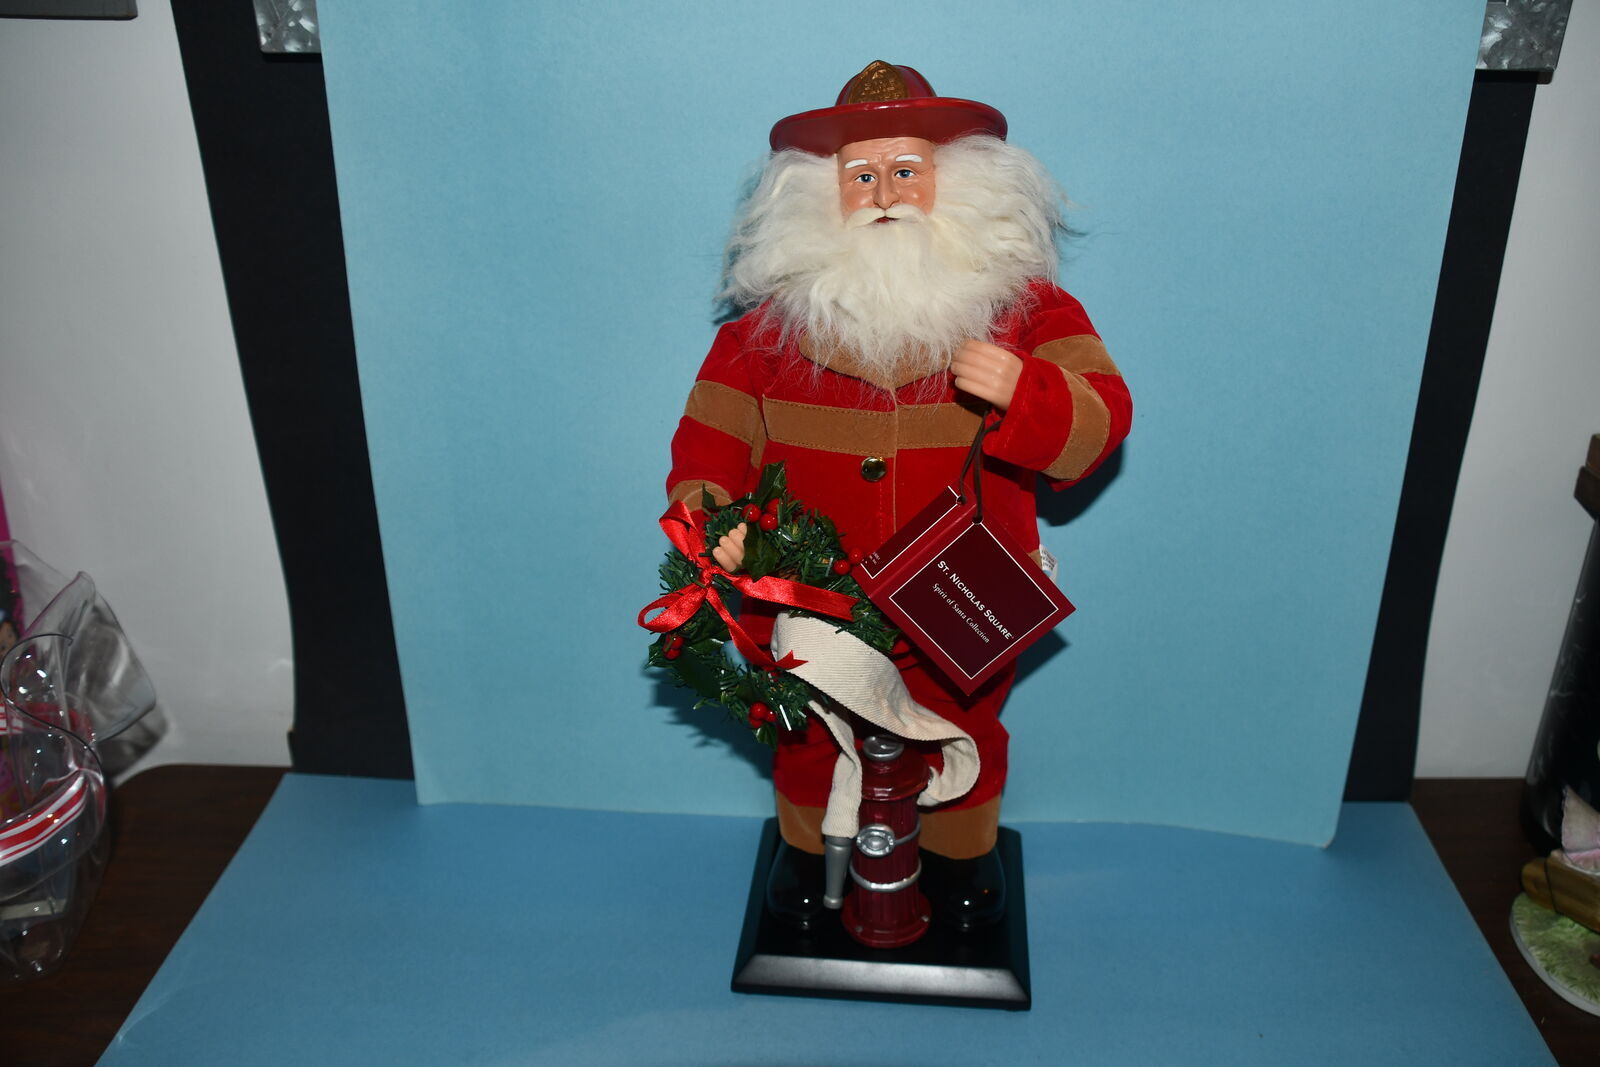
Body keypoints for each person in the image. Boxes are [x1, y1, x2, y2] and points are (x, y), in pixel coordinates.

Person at [667, 61, 1131, 930]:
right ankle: (809, 850)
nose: (884, 194)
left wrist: (1025, 391)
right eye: (862, 176)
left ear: (958, 182)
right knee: (809, 727)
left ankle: (960, 853)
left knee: (964, 721)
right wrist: (713, 519)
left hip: (968, 587)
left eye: (906, 171)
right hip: (812, 592)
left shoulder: (1030, 311)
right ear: (821, 197)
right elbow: (710, 439)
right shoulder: (761, 336)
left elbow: (1103, 418)